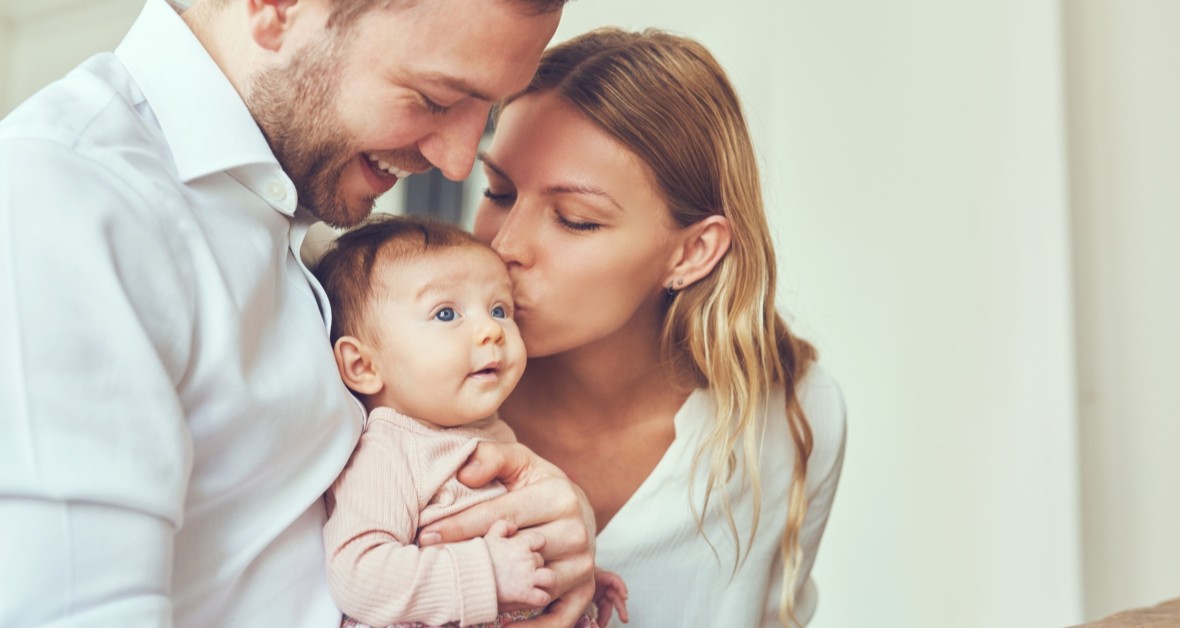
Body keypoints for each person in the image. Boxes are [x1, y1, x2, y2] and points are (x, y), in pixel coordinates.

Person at [0, 1, 597, 626]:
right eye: (436, 99)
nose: (457, 160)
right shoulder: (66, 198)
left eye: (487, 111)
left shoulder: (292, 210)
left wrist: (545, 524)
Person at [433, 28, 848, 627]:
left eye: (575, 220)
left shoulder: (793, 417)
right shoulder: (409, 385)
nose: (505, 245)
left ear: (693, 252)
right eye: (498, 192)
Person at [312, 215, 628, 628]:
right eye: (446, 313)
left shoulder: (490, 434)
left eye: (499, 309)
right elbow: (358, 575)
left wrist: (562, 575)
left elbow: (515, 535)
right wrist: (488, 574)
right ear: (363, 365)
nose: (490, 330)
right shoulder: (387, 451)